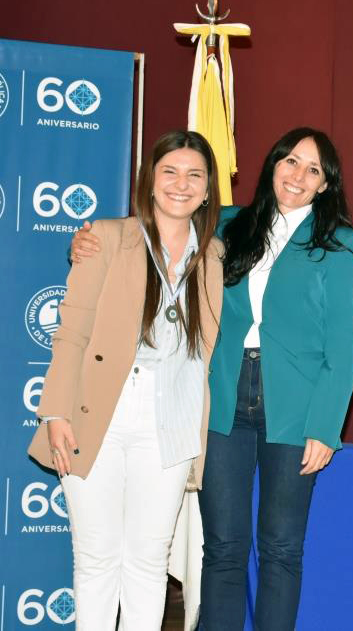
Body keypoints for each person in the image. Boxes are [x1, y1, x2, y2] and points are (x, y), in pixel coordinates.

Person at [71, 127, 353, 630]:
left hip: (296, 407)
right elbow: (157, 237)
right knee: (223, 547)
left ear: (325, 185)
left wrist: (325, 425)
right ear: (273, 164)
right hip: (221, 397)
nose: (297, 175)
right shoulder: (227, 224)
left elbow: (343, 341)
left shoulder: (340, 244)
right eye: (290, 161)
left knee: (281, 549)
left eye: (313, 170)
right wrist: (89, 240)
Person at [29, 130, 223, 629]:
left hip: (172, 419)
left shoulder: (215, 256)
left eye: (194, 175)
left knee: (148, 560)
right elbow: (70, 330)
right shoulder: (109, 237)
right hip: (99, 411)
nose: (181, 184)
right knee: (95, 557)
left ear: (207, 190)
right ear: (150, 181)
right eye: (169, 172)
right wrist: (55, 413)